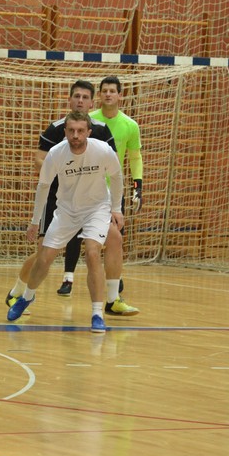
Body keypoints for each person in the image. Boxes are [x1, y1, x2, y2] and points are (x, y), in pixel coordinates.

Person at [6, 80, 138, 317]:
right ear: (69, 100)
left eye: (85, 97)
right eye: (76, 96)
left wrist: (114, 204)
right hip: (60, 198)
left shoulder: (100, 131)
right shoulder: (57, 129)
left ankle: (112, 299)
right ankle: (18, 292)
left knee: (113, 239)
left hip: (95, 201)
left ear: (92, 102)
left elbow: (114, 167)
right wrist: (66, 168)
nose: (80, 101)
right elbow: (39, 161)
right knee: (45, 252)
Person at [88, 75, 143, 315]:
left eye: (113, 90)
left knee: (114, 240)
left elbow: (135, 157)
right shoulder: (89, 121)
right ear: (99, 95)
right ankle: (61, 279)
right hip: (84, 190)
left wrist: (138, 183)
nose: (109, 94)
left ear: (120, 95)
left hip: (112, 193)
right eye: (105, 90)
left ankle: (112, 294)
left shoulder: (130, 125)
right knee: (53, 245)